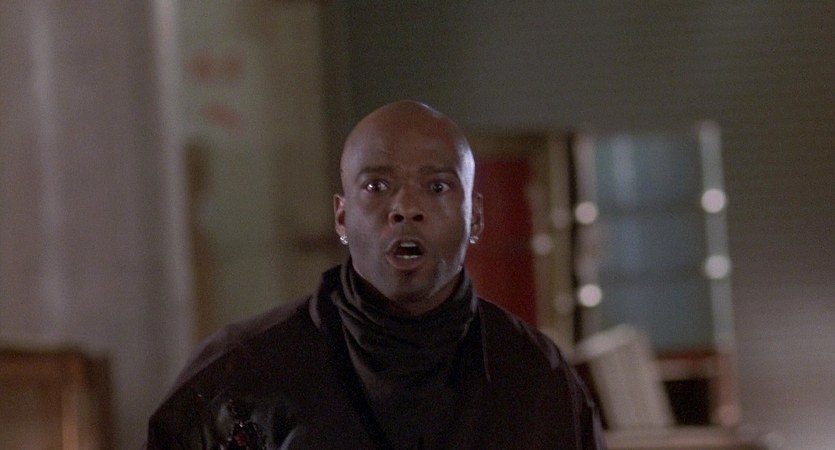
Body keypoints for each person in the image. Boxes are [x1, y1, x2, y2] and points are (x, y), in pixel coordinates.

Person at [146, 100, 605, 449]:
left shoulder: (534, 379)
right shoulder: (240, 378)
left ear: (476, 217)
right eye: (376, 186)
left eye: (437, 186)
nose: (405, 208)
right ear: (342, 217)